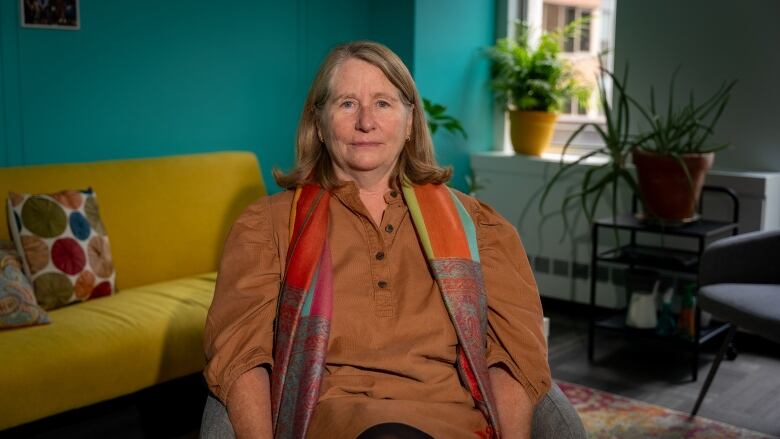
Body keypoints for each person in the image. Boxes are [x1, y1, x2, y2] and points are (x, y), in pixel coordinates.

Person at [201, 41, 583, 439]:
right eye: (347, 103)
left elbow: (515, 360)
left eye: (383, 103)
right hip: (329, 423)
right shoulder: (265, 228)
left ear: (410, 121)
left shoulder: (483, 229)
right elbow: (241, 358)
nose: (366, 122)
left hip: (451, 423)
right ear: (318, 122)